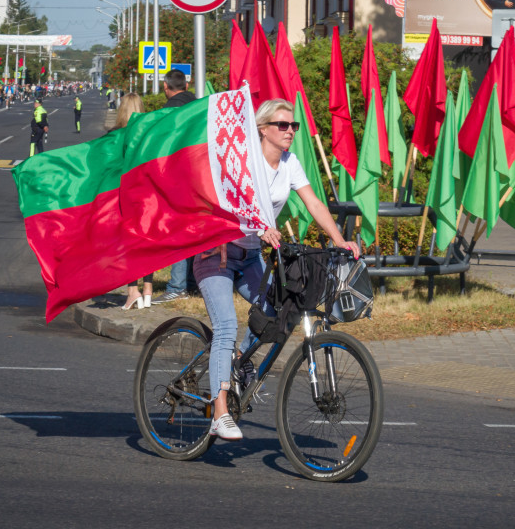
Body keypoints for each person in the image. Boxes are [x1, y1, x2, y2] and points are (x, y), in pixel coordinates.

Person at [199, 98, 360, 441]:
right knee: (226, 325)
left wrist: (340, 240)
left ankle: (238, 362)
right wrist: (258, 226)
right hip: (218, 251)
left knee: (274, 312)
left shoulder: (289, 163)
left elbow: (313, 201)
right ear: (262, 129)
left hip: (251, 256)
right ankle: (220, 412)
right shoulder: (243, 159)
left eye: (294, 126)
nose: (290, 131)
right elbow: (231, 200)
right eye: (282, 125)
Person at [147, 70, 198, 306]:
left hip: (178, 179)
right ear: (186, 85)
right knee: (197, 232)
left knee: (179, 232)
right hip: (201, 177)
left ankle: (177, 286)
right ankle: (195, 282)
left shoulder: (166, 113)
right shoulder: (199, 108)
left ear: (166, 88)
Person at [114, 93, 156, 310]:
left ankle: (133, 292)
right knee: (146, 242)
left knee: (130, 244)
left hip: (127, 197)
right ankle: (148, 290)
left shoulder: (118, 135)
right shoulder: (150, 133)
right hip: (149, 196)